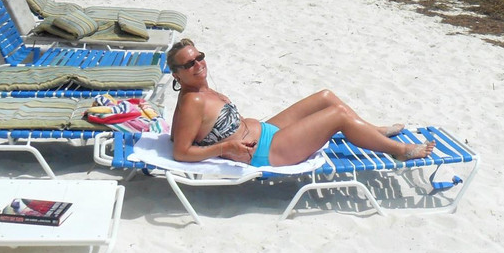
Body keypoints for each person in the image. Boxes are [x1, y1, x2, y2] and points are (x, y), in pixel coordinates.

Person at [167, 40, 434, 166]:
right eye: (189, 64)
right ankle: (400, 150)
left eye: (199, 57)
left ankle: (371, 130)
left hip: (266, 132)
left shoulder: (199, 89)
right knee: (337, 115)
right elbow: (181, 151)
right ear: (177, 74)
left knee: (325, 96)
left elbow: (178, 134)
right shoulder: (193, 100)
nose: (198, 64)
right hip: (264, 152)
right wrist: (225, 147)